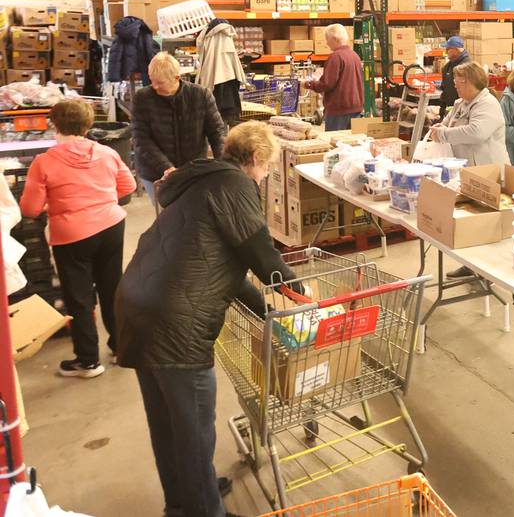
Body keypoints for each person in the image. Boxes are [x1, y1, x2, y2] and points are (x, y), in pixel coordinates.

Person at [115, 121, 303, 517]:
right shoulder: (236, 186)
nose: (265, 175)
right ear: (253, 159)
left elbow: (225, 267)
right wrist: (300, 293)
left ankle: (185, 499)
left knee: (167, 423)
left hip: (136, 305)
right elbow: (259, 252)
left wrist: (268, 311)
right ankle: (205, 510)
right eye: (266, 167)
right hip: (175, 321)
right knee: (195, 425)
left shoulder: (198, 185)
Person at [20, 100, 136, 378]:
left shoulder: (44, 162)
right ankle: (121, 349)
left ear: (55, 124)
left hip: (71, 234)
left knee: (80, 297)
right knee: (111, 289)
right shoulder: (106, 153)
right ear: (88, 125)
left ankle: (88, 361)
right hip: (110, 226)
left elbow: (30, 209)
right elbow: (128, 186)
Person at [430, 62, 509, 279]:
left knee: (487, 223)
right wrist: (439, 129)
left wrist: (445, 134)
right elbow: (447, 123)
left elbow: (477, 132)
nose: (455, 85)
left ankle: (490, 271)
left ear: (471, 82)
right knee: (471, 223)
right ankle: (472, 266)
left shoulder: (487, 104)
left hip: (487, 172)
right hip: (466, 171)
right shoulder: (460, 103)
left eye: (458, 82)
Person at [131, 52, 226, 203]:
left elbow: (217, 132)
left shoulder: (201, 95)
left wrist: (223, 163)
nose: (154, 86)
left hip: (193, 169)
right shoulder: (142, 98)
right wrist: (166, 167)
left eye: (160, 83)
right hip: (155, 172)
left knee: (194, 214)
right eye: (152, 80)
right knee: (167, 218)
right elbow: (140, 138)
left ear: (177, 78)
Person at [303, 23, 364, 131]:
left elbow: (327, 84)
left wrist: (308, 84)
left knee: (335, 144)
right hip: (355, 110)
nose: (326, 43)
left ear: (335, 39)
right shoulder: (355, 56)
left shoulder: (336, 57)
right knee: (352, 145)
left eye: (327, 39)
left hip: (338, 111)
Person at [438, 36, 470, 119]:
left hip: (463, 113)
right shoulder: (447, 67)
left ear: (456, 49)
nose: (446, 51)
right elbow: (444, 89)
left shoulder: (468, 66)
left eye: (448, 49)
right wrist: (442, 107)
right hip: (450, 111)